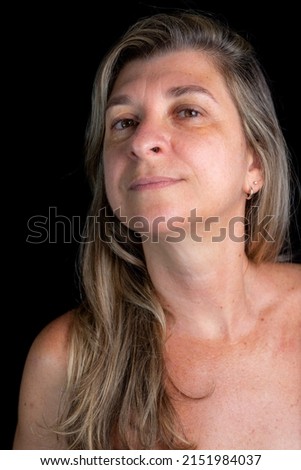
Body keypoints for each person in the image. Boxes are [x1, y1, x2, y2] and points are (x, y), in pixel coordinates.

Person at [14, 9, 301, 450]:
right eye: (123, 122)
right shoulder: (64, 363)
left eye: (188, 111)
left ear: (255, 164)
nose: (142, 140)